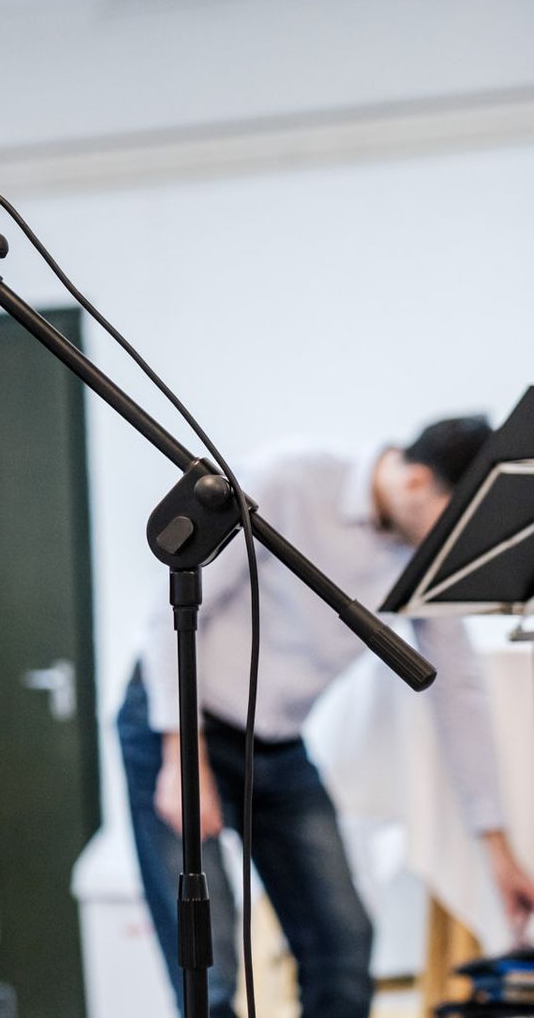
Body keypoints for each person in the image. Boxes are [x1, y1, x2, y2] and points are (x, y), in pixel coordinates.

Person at [118, 416, 534, 1018]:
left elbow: (458, 696)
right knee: (208, 967)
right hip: (178, 723)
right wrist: (183, 758)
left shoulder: (424, 554)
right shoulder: (291, 480)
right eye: (453, 520)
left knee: (344, 948)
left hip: (278, 744)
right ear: (416, 481)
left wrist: (497, 851)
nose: (455, 541)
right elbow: (170, 617)